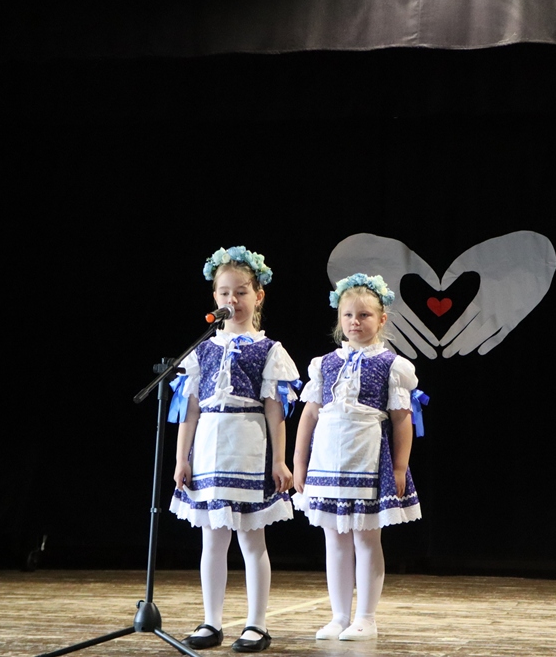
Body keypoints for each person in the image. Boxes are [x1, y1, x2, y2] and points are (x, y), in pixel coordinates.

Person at [169, 246, 300, 653]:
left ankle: (256, 624)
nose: (233, 300)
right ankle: (211, 621)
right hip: (209, 447)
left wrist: (279, 459)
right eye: (225, 293)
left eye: (241, 292)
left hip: (248, 446)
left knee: (251, 539)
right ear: (215, 297)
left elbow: (275, 410)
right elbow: (190, 409)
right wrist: (182, 458)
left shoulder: (269, 350)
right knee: (212, 539)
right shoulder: (202, 350)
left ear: (258, 296)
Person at [292, 272, 425, 642]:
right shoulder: (324, 364)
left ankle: (366, 617)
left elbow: (402, 419)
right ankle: (339, 615)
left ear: (381, 319)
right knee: (334, 539)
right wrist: (299, 462)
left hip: (367, 457)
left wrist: (399, 466)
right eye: (348, 315)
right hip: (327, 459)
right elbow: (310, 414)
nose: (355, 322)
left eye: (364, 315)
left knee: (366, 538)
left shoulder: (391, 365)